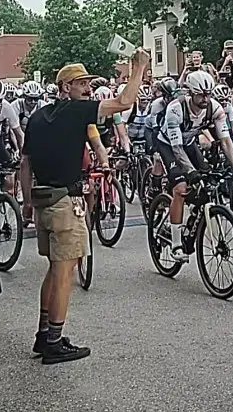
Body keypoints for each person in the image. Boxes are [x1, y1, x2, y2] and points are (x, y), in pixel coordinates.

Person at [17, 49, 149, 364]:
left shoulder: (37, 117)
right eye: (81, 84)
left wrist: (25, 202)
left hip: (44, 199)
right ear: (65, 87)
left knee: (53, 270)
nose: (87, 89)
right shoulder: (76, 112)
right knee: (65, 273)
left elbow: (25, 163)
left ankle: (43, 333)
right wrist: (139, 67)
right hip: (66, 201)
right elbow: (124, 103)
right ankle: (55, 341)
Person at [155, 70, 233, 261]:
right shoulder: (175, 109)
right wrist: (191, 172)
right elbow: (177, 149)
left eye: (208, 94)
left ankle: (194, 219)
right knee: (181, 187)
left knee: (209, 182)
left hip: (188, 143)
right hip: (168, 145)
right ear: (190, 93)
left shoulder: (216, 108)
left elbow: (226, 141)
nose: (205, 98)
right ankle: (176, 244)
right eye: (201, 95)